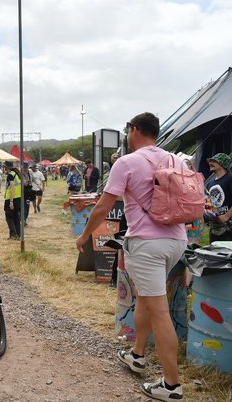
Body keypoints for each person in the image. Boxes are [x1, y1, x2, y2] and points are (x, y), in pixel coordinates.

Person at [76, 112, 187, 401]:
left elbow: (102, 207)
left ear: (135, 130)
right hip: (176, 240)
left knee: (158, 309)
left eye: (129, 131)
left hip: (147, 244)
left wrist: (84, 235)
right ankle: (137, 353)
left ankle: (171, 386)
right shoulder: (175, 159)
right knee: (148, 298)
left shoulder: (127, 162)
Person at [204, 153, 232, 242]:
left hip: (229, 228)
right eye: (210, 161)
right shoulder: (209, 184)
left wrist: (226, 216)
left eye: (214, 161)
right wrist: (209, 216)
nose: (210, 163)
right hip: (215, 228)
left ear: (223, 163)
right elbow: (208, 204)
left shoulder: (230, 179)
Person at [3, 161, 22, 240]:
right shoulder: (17, 174)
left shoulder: (11, 175)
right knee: (16, 217)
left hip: (11, 198)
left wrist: (11, 202)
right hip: (18, 198)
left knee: (9, 217)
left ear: (6, 167)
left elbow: (12, 188)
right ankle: (18, 234)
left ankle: (13, 235)